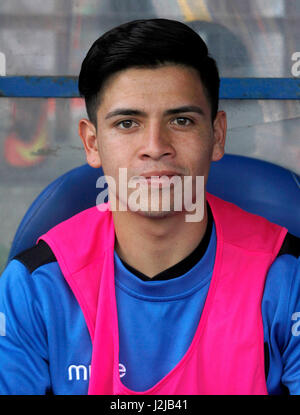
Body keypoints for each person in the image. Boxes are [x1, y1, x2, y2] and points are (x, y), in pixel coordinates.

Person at [0, 18, 299, 395]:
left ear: (217, 136)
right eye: (127, 123)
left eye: (181, 120)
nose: (156, 145)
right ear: (92, 144)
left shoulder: (287, 276)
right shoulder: (35, 286)